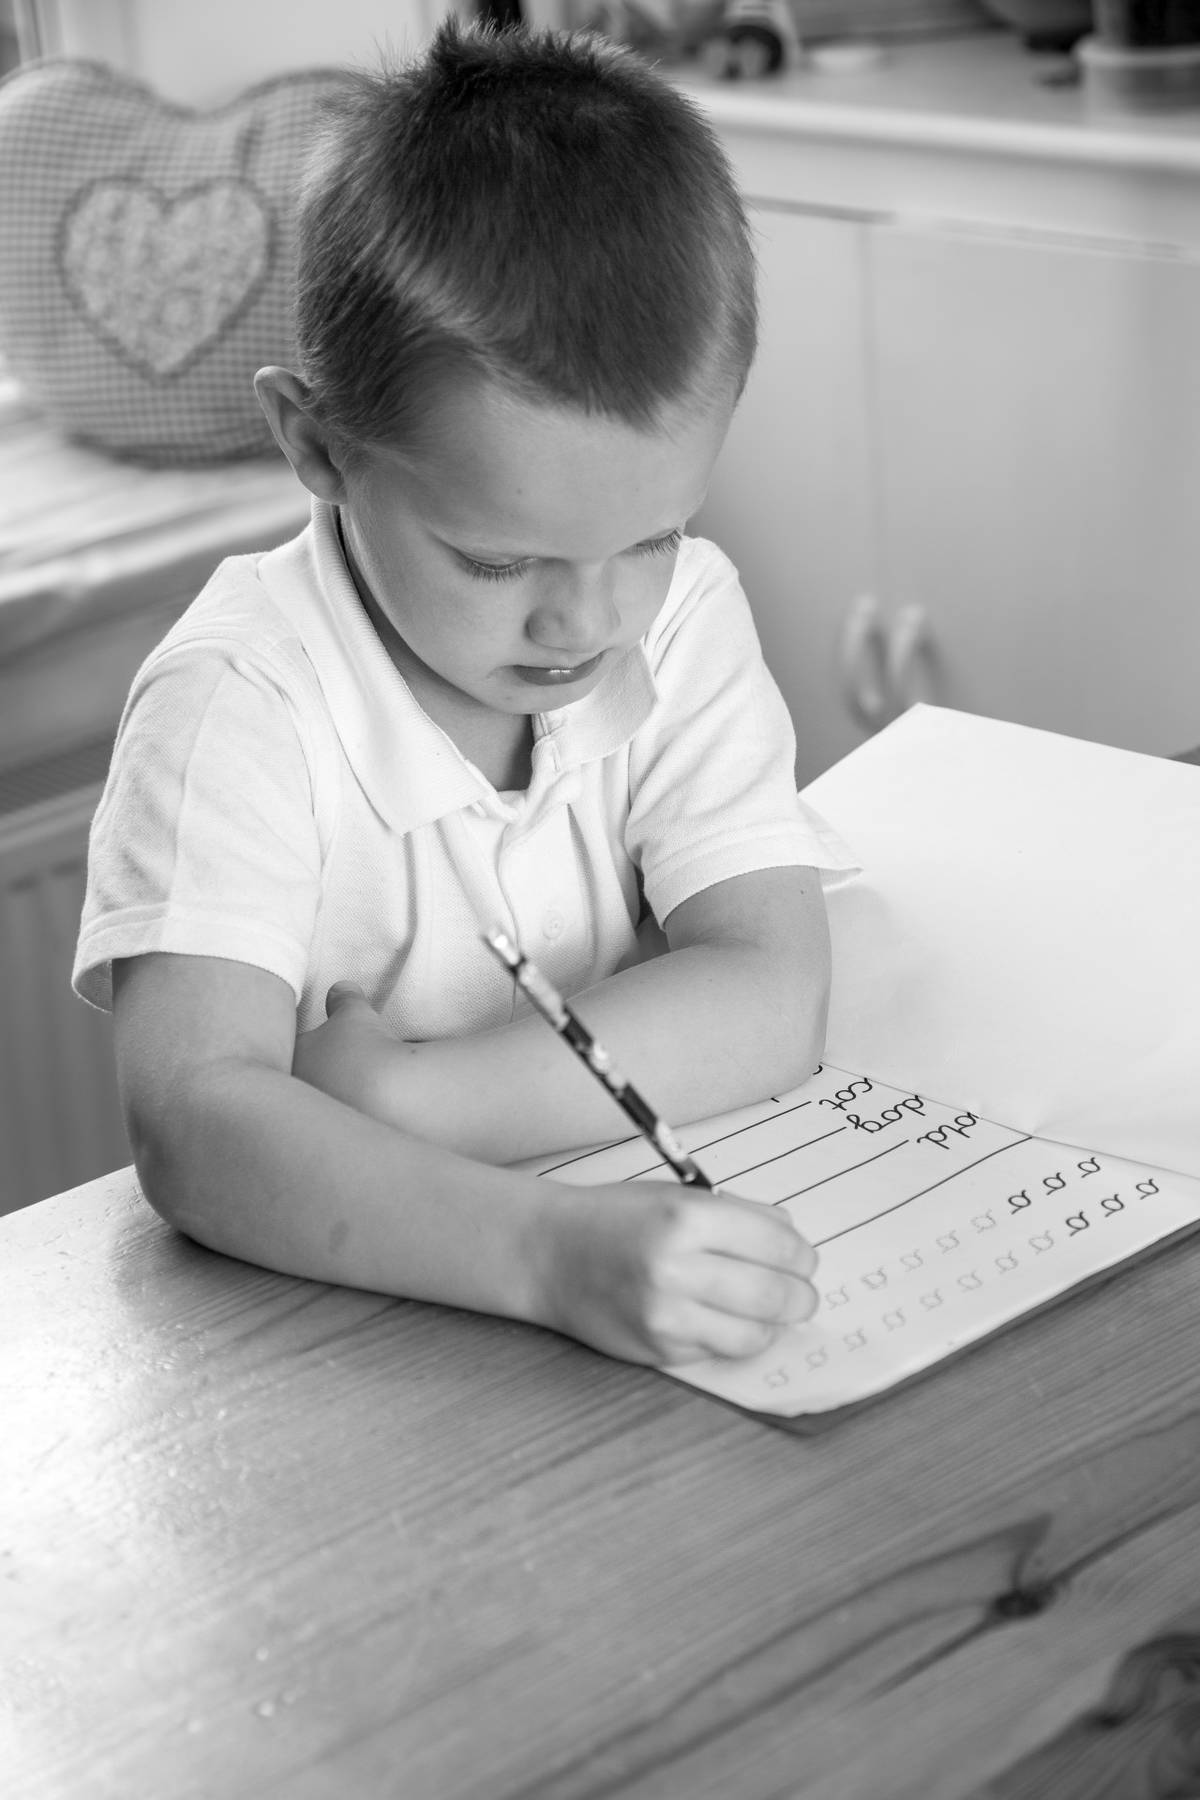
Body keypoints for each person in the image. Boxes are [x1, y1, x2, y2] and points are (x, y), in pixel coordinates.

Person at [73, 19, 855, 1371]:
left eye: (652, 536)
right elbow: (198, 1126)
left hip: (608, 1312)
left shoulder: (683, 619)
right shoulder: (236, 703)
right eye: (498, 559)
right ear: (315, 444)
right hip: (335, 1362)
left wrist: (420, 1104)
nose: (588, 621)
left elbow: (774, 992)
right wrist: (544, 1251)